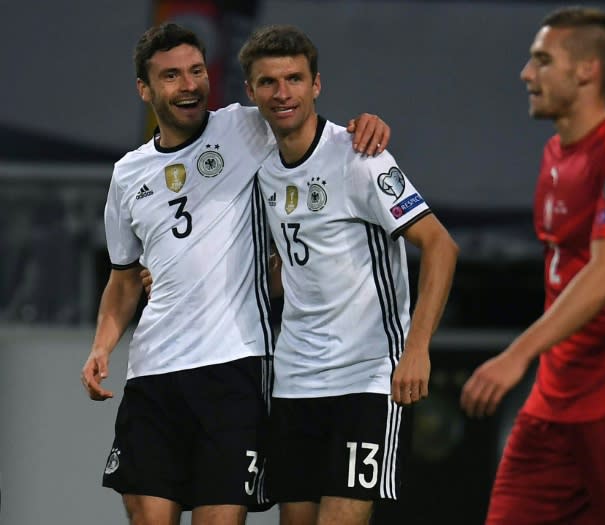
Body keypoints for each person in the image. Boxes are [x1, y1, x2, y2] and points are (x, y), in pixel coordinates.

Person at [79, 22, 390, 525]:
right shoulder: (127, 173)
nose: (189, 85)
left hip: (236, 369)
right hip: (154, 373)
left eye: (197, 71)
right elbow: (124, 276)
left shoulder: (244, 127)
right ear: (145, 89)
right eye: (172, 75)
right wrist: (101, 346)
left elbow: (303, 117)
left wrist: (366, 123)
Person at [459, 7, 605, 524]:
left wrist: (516, 355)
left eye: (543, 61)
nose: (527, 74)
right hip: (552, 407)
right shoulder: (554, 153)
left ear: (586, 70)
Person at [238, 25, 458, 525]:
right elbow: (287, 264)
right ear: (251, 93)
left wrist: (417, 348)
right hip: (294, 377)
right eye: (268, 82)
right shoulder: (259, 165)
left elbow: (442, 246)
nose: (282, 92)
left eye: (294, 79)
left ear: (317, 85)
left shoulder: (361, 157)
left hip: (364, 374)